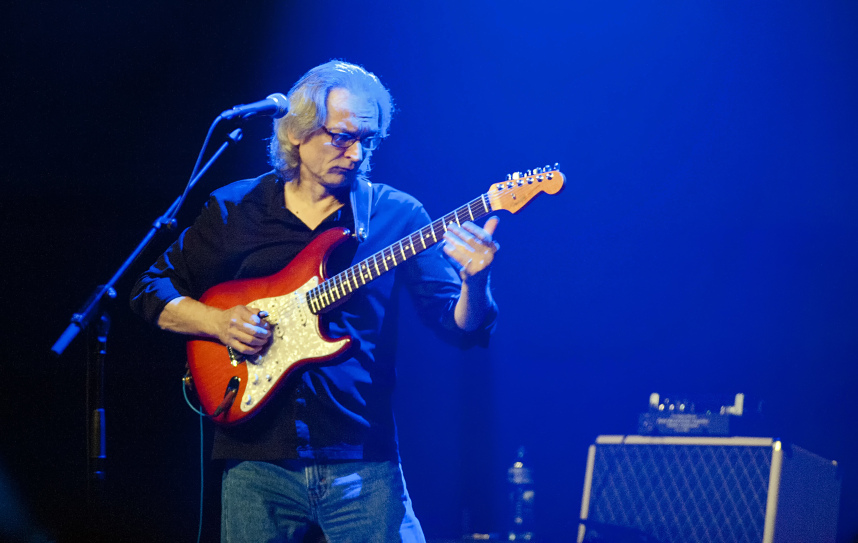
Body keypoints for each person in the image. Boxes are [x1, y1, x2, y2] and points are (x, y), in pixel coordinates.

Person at [130, 60, 499, 542]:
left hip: (362, 464)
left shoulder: (398, 215)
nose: (355, 153)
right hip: (254, 462)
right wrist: (219, 324)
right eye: (341, 136)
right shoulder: (234, 208)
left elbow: (461, 328)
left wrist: (477, 282)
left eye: (367, 140)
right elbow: (148, 288)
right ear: (298, 133)